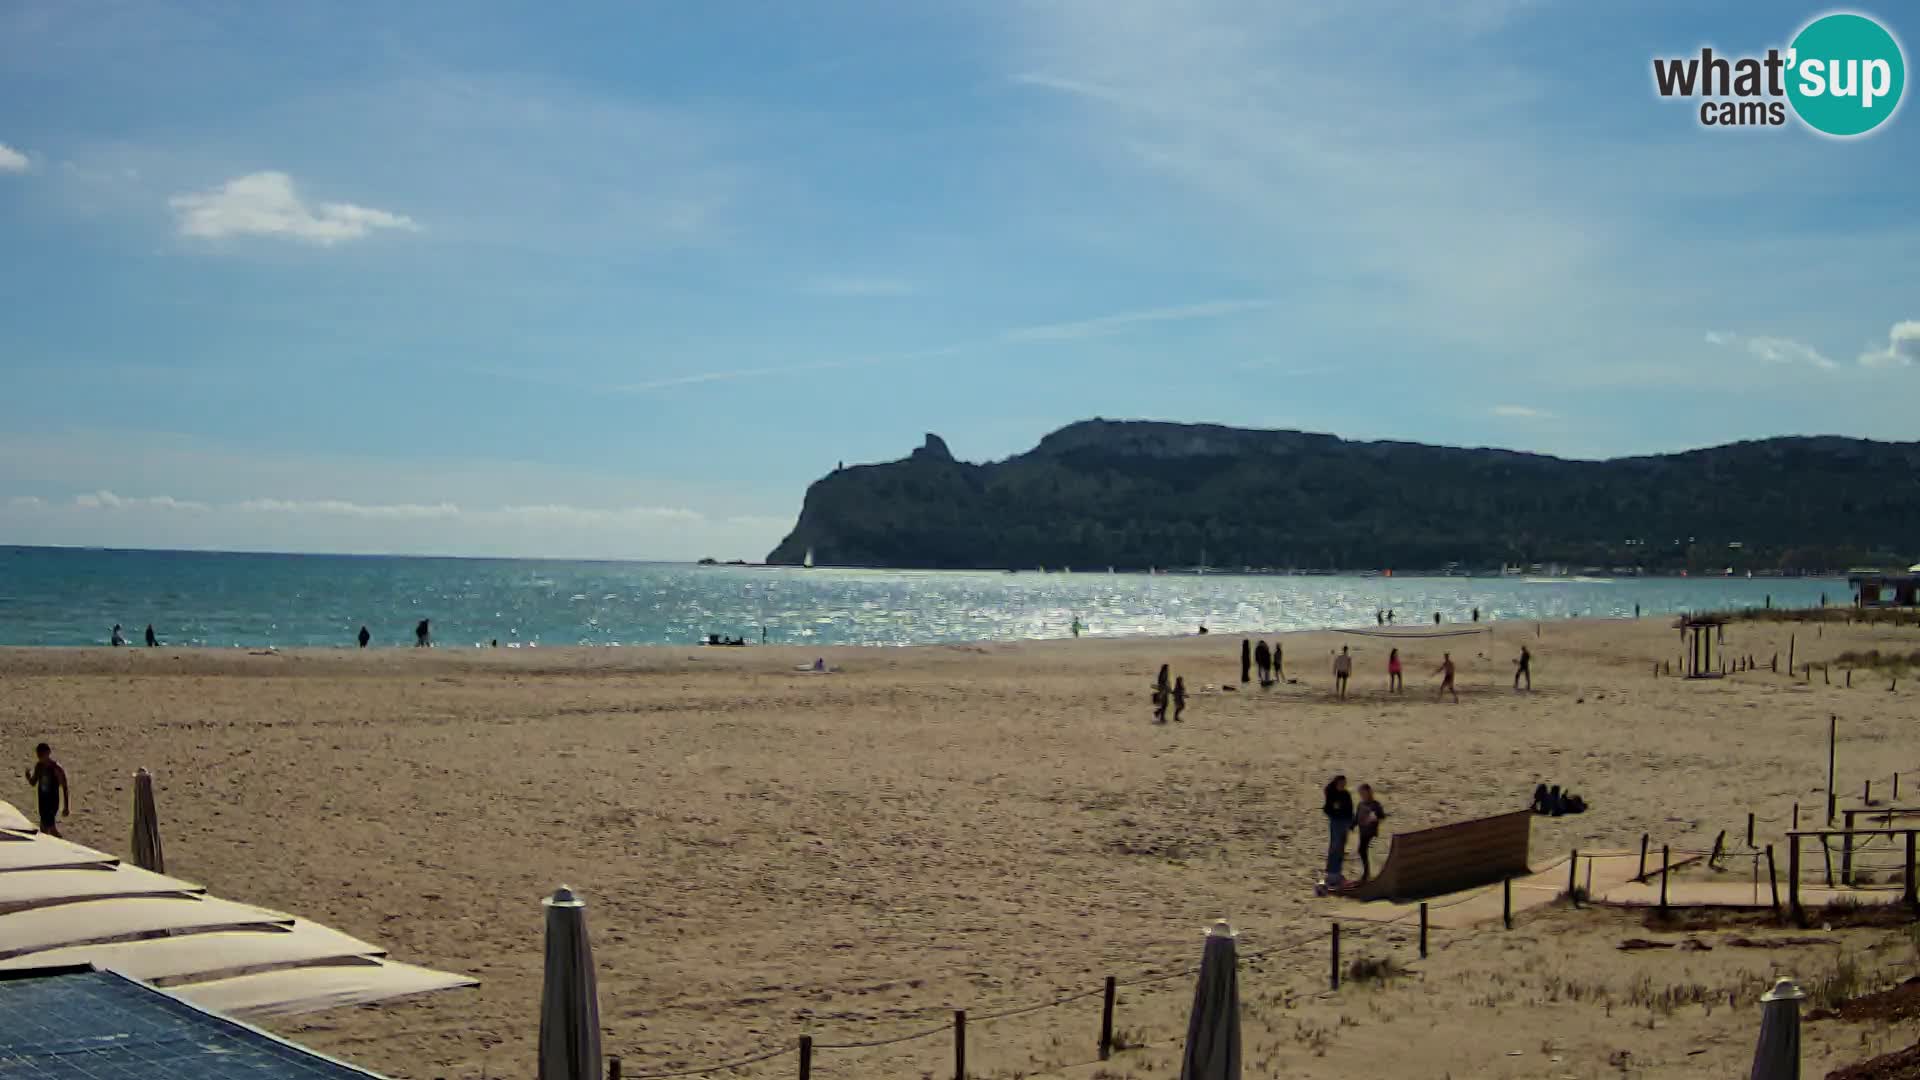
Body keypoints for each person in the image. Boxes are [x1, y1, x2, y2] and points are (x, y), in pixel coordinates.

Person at [25, 743, 69, 837]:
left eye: (41, 754)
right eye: (39, 755)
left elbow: (64, 787)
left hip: (52, 801)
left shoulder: (56, 768)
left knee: (48, 827)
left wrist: (66, 806)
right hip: (42, 801)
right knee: (45, 828)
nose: (40, 757)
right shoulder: (39, 766)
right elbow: (33, 782)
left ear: (48, 753)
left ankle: (59, 844)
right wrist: (28, 777)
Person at [1322, 775, 1354, 892]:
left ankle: (1337, 874)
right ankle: (1331, 874)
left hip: (1345, 823)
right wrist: (1336, 815)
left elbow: (1350, 809)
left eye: (1344, 784)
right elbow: (1327, 809)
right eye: (1341, 783)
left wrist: (1351, 823)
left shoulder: (1346, 794)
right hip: (1336, 823)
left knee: (1341, 848)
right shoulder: (1332, 794)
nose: (1343, 786)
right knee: (1335, 847)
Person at [1355, 784, 1388, 882]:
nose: (1362, 795)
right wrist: (1351, 825)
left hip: (1371, 833)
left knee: (1367, 852)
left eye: (1364, 793)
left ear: (1369, 793)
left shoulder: (1375, 804)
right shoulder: (1360, 804)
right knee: (1361, 851)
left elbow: (1382, 816)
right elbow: (1357, 818)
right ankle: (1367, 873)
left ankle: (1369, 874)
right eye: (1361, 793)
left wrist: (1375, 816)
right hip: (1363, 833)